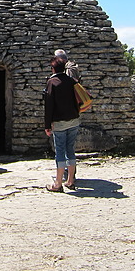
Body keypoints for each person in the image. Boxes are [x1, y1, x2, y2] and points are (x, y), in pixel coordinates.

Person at [44, 56, 80, 192]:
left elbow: (49, 105)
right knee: (70, 150)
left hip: (59, 122)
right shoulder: (71, 81)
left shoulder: (52, 82)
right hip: (74, 120)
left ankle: (58, 184)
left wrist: (47, 125)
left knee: (60, 151)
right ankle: (70, 181)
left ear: (53, 68)